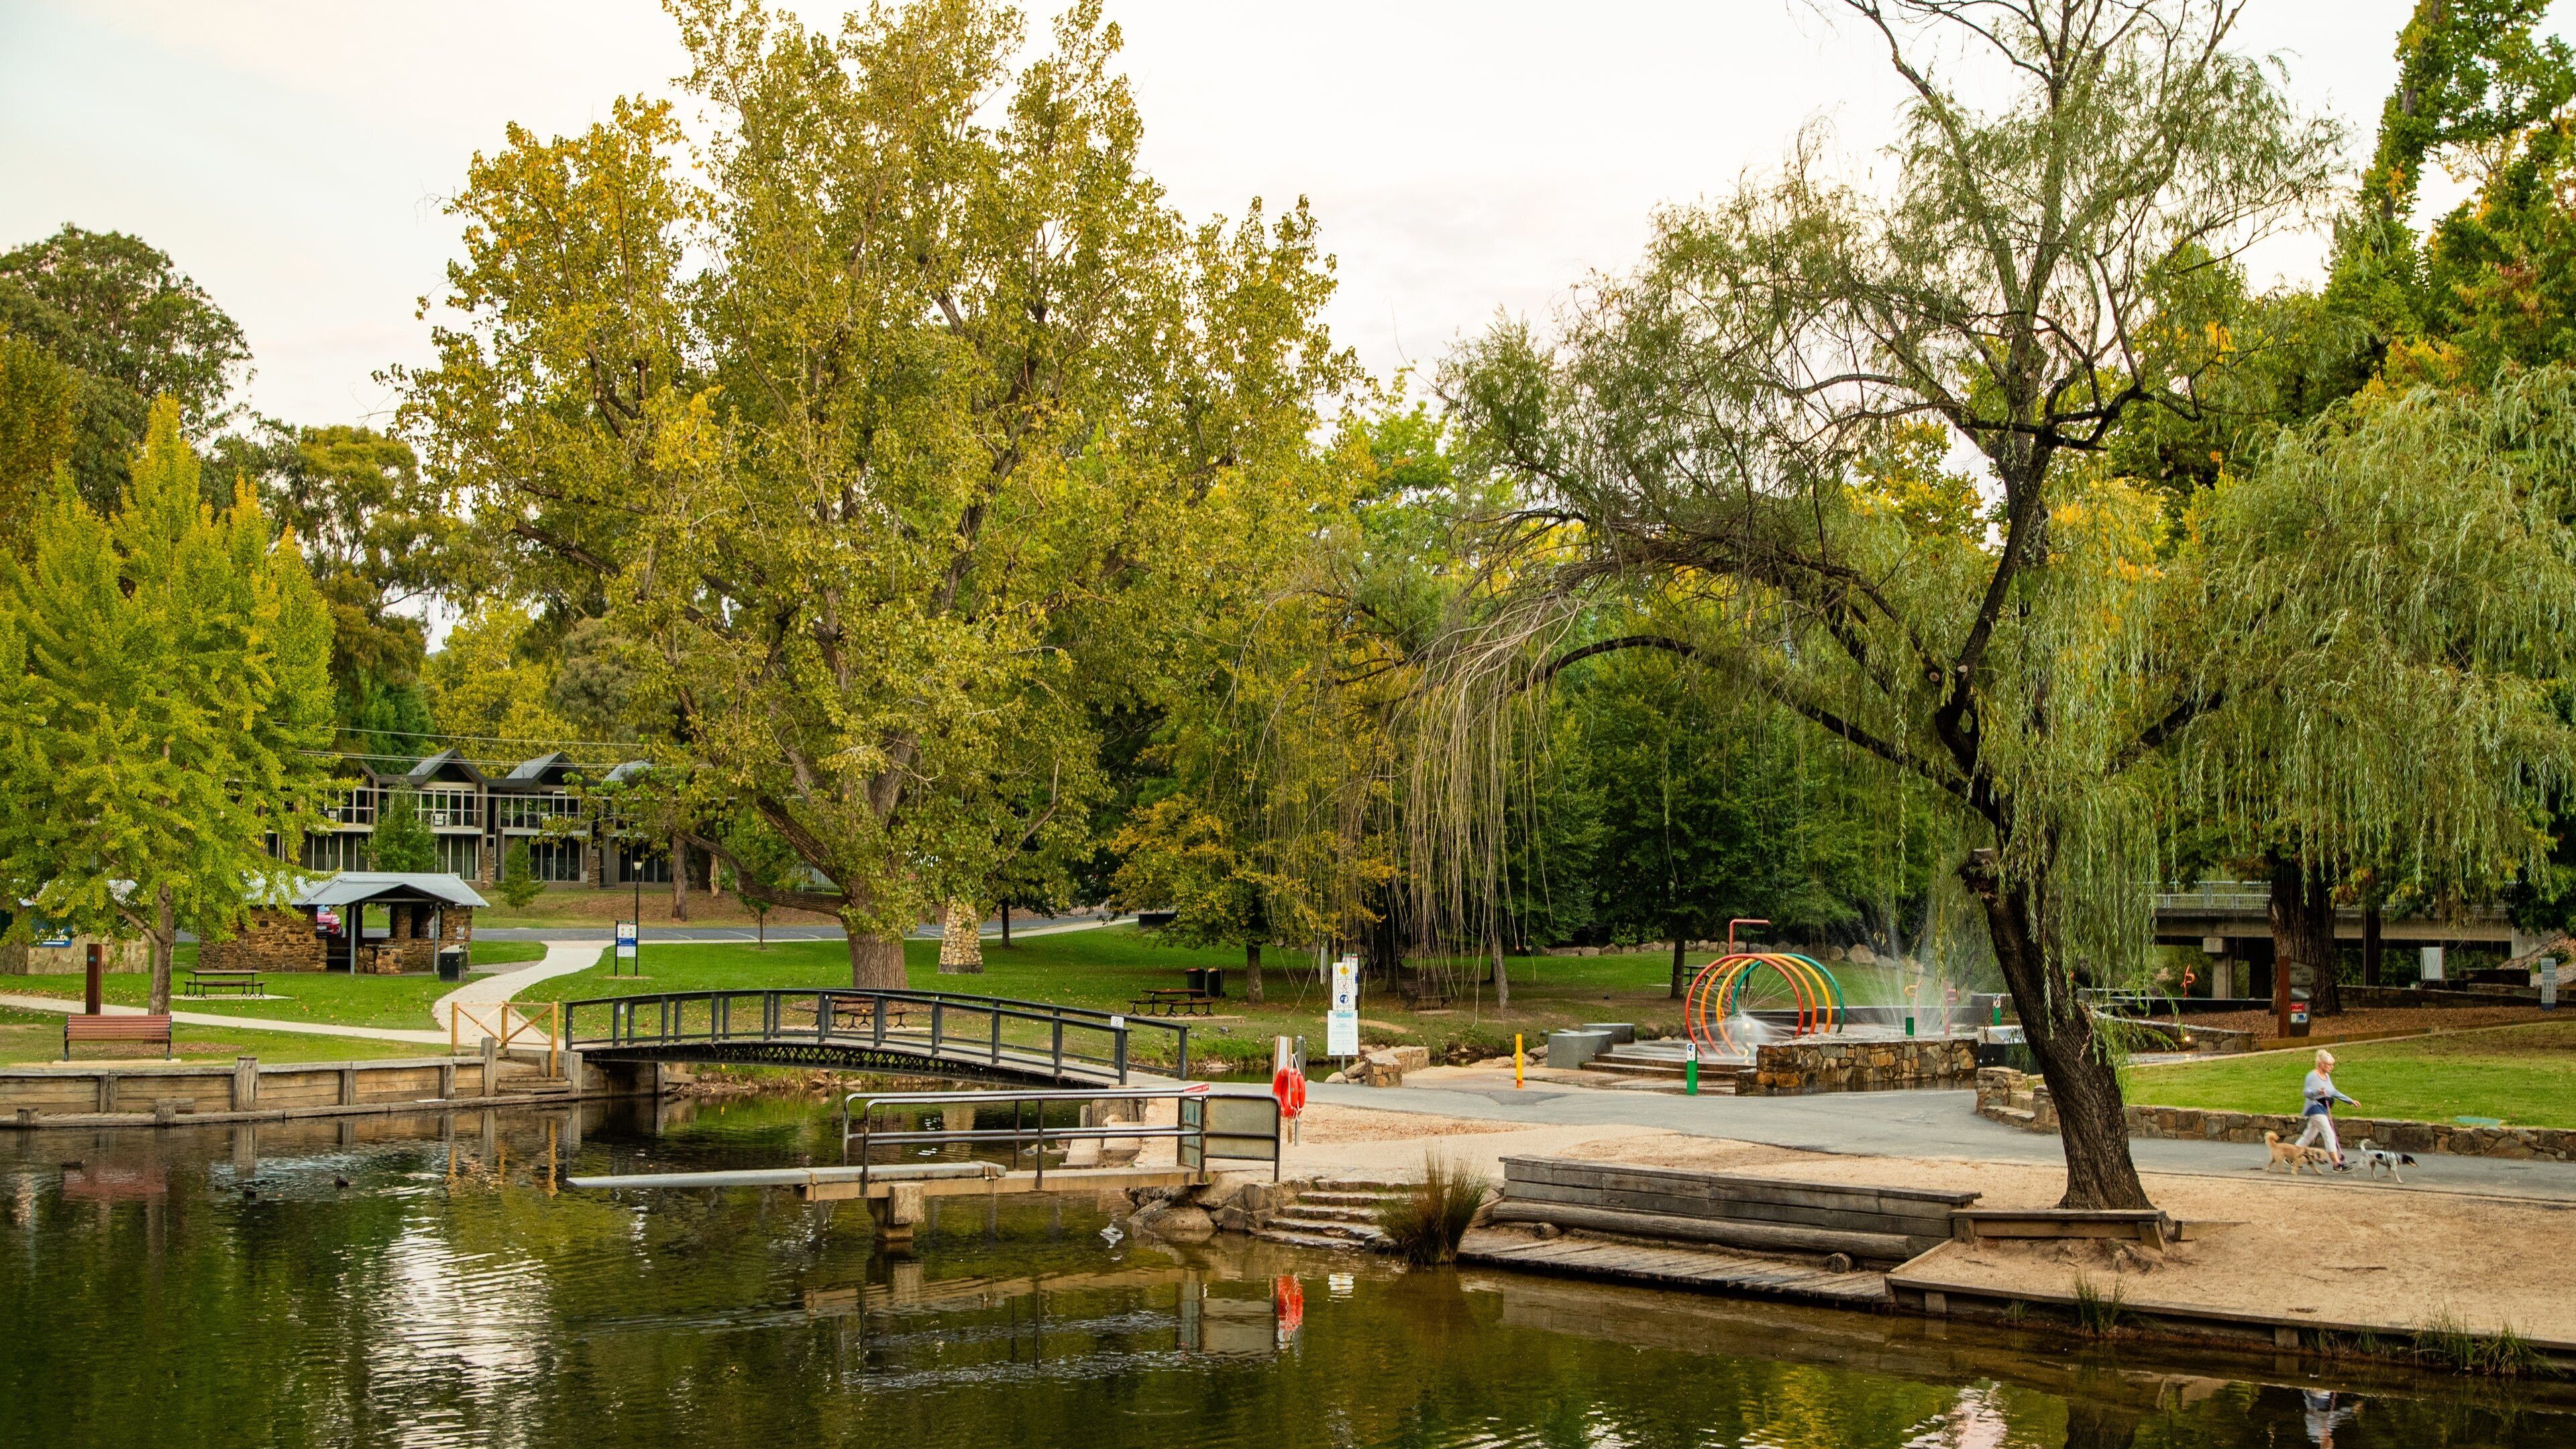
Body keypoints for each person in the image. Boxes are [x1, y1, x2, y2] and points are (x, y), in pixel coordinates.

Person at [2298, 1048, 2356, 1171]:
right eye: (2329, 1064)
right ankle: (2337, 1164)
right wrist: (2317, 1091)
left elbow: (2333, 1092)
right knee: (2328, 1132)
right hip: (2314, 1108)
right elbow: (2306, 1092)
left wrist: (2350, 1101)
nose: (2332, 1067)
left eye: (2333, 1064)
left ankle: (2292, 1156)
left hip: (2322, 1108)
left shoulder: (2326, 1076)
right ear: (2321, 1064)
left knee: (2309, 1135)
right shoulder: (2312, 1076)